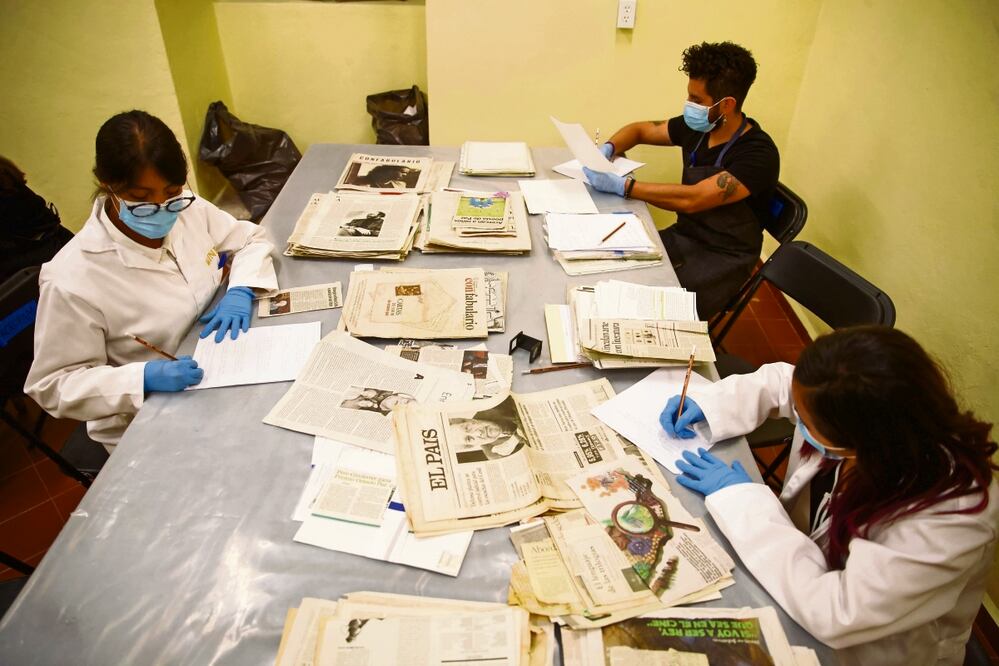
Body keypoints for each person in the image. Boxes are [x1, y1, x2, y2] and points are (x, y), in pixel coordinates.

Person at [658, 326, 998, 665]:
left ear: (861, 441)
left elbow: (836, 612)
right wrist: (711, 403)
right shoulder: (877, 407)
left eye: (807, 422)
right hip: (800, 578)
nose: (799, 420)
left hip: (868, 649)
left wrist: (745, 502)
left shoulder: (951, 518)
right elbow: (788, 385)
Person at [25, 110, 278, 451]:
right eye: (142, 199)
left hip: (223, 369)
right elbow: (52, 385)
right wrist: (140, 378)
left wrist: (241, 288)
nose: (161, 208)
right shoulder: (72, 278)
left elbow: (251, 239)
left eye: (171, 192)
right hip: (148, 416)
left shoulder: (184, 208)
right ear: (107, 184)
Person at [584, 42, 779, 318]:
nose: (690, 106)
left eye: (697, 100)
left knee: (633, 305)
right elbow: (640, 130)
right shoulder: (698, 127)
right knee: (606, 268)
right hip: (684, 237)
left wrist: (626, 187)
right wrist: (609, 148)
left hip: (721, 259)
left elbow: (694, 198)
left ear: (727, 104)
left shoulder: (758, 154)